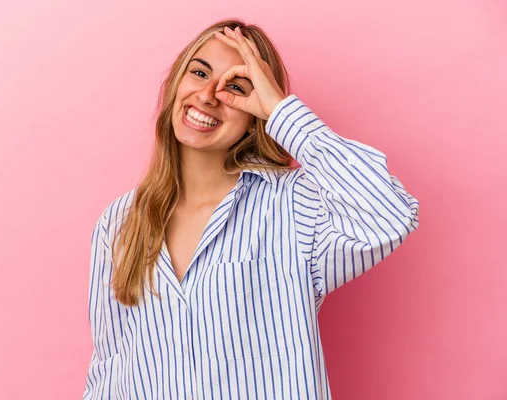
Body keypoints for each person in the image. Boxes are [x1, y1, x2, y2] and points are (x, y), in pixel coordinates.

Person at [82, 19, 420, 400]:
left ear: (253, 114)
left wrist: (280, 111)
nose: (209, 95)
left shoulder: (294, 206)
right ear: (177, 80)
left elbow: (389, 213)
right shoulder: (119, 222)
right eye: (199, 72)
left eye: (236, 87)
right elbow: (110, 367)